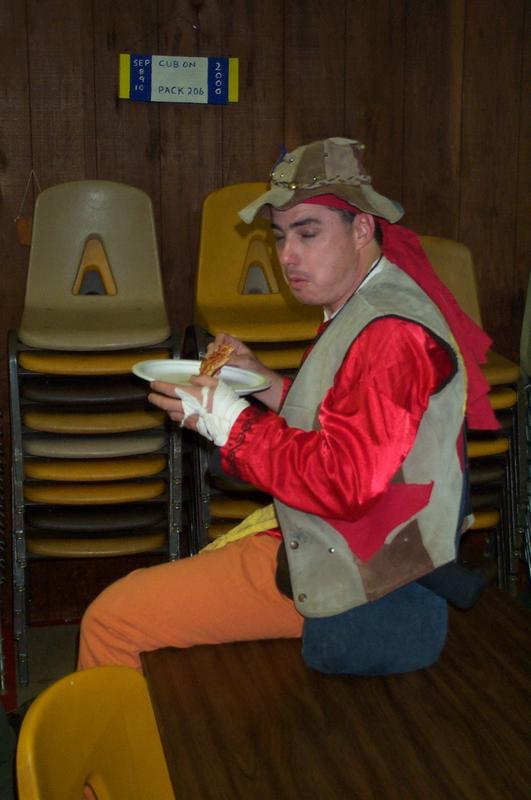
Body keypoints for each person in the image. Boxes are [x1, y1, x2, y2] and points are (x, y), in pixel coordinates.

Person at [78, 137, 497, 676]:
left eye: (308, 233)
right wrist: (265, 384)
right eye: (279, 236)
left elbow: (344, 482)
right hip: (344, 546)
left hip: (355, 573)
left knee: (112, 620)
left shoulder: (391, 333)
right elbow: (355, 417)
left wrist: (226, 419)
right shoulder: (370, 302)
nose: (286, 256)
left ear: (362, 228)